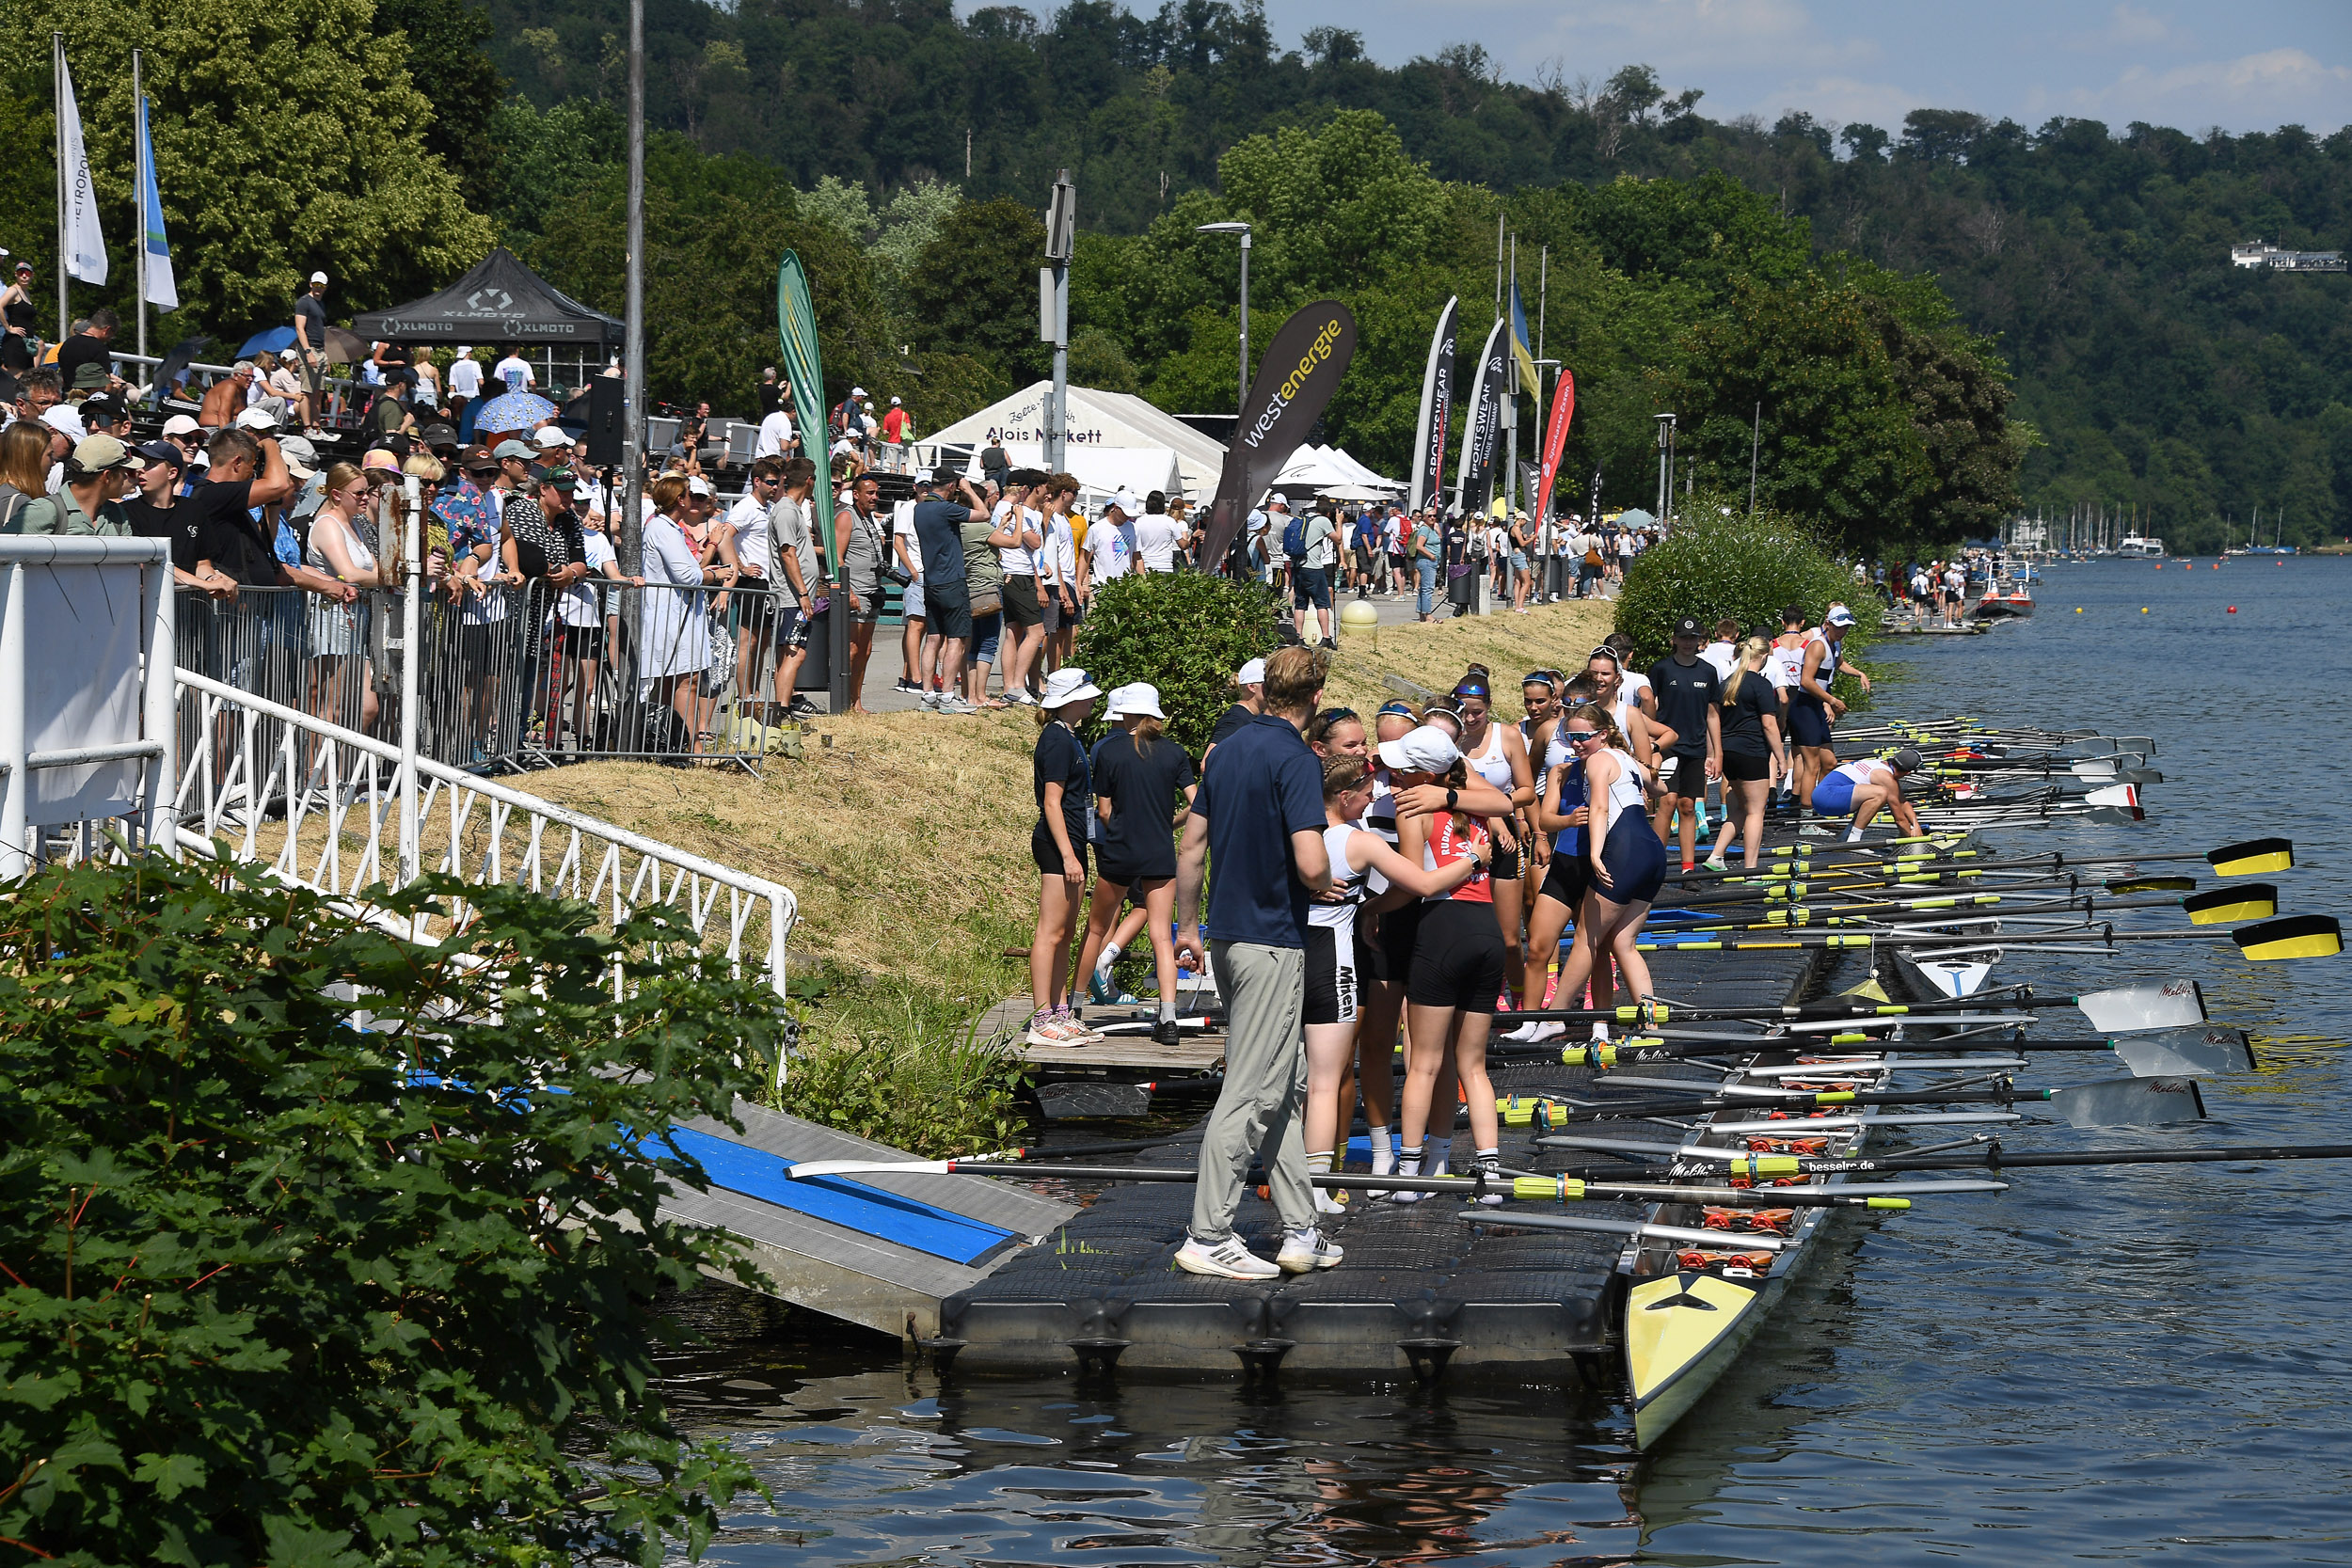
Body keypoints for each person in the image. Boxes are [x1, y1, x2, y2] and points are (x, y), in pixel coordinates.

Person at [1172, 645, 1337, 1280]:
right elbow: (1311, 861)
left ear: (1265, 690)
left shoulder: (1229, 748)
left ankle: (1301, 1229)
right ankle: (1208, 1232)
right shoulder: (1296, 758)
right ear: (1316, 697)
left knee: (1284, 1083)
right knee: (1250, 1089)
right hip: (1274, 941)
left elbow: (1191, 848)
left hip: (1228, 937)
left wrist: (1188, 925)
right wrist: (1325, 876)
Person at [1300, 752, 1483, 1215]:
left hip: (1294, 953)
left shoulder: (1295, 835)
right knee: (1325, 1078)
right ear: (1344, 798)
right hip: (1336, 957)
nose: (1373, 798)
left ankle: (1299, 1176)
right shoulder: (1357, 838)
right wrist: (1472, 860)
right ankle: (1317, 1188)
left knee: (1298, 1076)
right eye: (1365, 793)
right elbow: (1422, 884)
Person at [1377, 726, 1505, 1205]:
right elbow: (1507, 802)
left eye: (1402, 769)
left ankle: (1410, 1173)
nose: (1394, 778)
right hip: (1485, 930)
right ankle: (1488, 1175)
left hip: (1442, 932)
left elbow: (1413, 883)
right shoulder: (1476, 801)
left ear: (1423, 773)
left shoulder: (1415, 809)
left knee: (1425, 1065)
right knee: (1473, 1066)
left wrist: (1370, 910)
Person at [1070, 682, 1198, 1047]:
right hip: (1159, 852)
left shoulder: (1110, 753)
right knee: (1160, 935)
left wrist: (1124, 827)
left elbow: (1105, 810)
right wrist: (1168, 823)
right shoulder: (1174, 753)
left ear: (1126, 713)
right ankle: (1168, 1018)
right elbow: (1197, 800)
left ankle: (1075, 1009)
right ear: (1154, 715)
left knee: (1096, 929)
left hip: (1120, 850)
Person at [1025, 667, 1108, 1046]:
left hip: (1074, 843)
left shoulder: (1070, 736)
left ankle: (1061, 1010)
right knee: (1051, 931)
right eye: (1088, 693)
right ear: (1071, 698)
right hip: (1060, 845)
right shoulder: (1056, 740)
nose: (1094, 698)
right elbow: (1051, 802)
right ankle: (1042, 1017)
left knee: (1066, 933)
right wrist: (1068, 856)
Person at [1451, 672, 1536, 1007]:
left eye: (1477, 712)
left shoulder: (1508, 737)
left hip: (1503, 840)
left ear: (1489, 707)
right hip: (1460, 832)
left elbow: (1527, 791)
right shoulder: (1449, 738)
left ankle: (1517, 994)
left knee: (1509, 938)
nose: (1470, 719)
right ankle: (1480, 992)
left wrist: (1497, 810)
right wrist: (1490, 814)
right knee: (1470, 933)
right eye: (1464, 712)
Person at [1645, 616, 1724, 871]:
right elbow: (1649, 709)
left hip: (1695, 747)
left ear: (1700, 641)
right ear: (1674, 640)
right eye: (1684, 638)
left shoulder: (1708, 671)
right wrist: (1650, 743)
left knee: (1688, 806)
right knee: (1667, 802)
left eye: (1693, 638)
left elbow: (1712, 714)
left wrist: (1717, 753)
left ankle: (1688, 867)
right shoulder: (1662, 669)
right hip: (1668, 746)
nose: (1688, 643)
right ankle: (1655, 865)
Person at [1705, 637, 1788, 870]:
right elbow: (1770, 726)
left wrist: (1713, 754)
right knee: (1755, 811)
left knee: (1742, 807)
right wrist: (1781, 758)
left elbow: (1714, 721)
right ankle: (1751, 869)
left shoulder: (1727, 684)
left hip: (1729, 752)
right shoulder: (1761, 685)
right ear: (1763, 657)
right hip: (1752, 752)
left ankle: (1716, 855)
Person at [911, 468, 990, 715]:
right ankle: (947, 696)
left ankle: (927, 695)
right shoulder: (945, 509)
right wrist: (968, 490)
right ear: (952, 485)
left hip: (931, 581)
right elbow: (985, 514)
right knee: (957, 639)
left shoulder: (920, 508)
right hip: (952, 581)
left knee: (933, 638)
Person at [761, 457, 823, 719]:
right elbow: (788, 554)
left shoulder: (793, 510)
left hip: (794, 598)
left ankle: (783, 706)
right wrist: (803, 593)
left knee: (789, 653)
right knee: (794, 653)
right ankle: (783, 710)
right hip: (790, 598)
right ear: (809, 481)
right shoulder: (786, 511)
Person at [1791, 604, 1869, 809]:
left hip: (1816, 707)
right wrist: (1832, 700)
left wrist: (1859, 673)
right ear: (1828, 624)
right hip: (1804, 708)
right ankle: (1807, 817)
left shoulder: (1835, 644)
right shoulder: (1817, 645)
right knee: (1812, 765)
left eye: (1846, 628)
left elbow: (1839, 664)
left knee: (1829, 763)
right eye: (1840, 627)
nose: (1843, 631)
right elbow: (1806, 681)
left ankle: (1822, 806)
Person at [834, 470, 896, 714]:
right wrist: (847, 591)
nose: (875, 497)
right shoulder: (846, 517)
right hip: (855, 591)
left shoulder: (870, 518)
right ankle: (841, 702)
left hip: (872, 590)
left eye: (877, 493)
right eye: (870, 493)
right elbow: (837, 557)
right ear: (856, 494)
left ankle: (856, 701)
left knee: (866, 649)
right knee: (851, 649)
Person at [8, 435, 140, 536]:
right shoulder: (43, 510)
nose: (126, 478)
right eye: (125, 472)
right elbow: (5, 555)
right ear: (108, 476)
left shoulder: (117, 514)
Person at [991, 473, 1046, 705]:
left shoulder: (1004, 507)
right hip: (1017, 573)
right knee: (1037, 632)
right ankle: (1016, 685)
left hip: (1013, 572)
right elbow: (1034, 542)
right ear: (1024, 488)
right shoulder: (1010, 508)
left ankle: (1009, 687)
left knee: (1013, 631)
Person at [1812, 749, 1924, 841]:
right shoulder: (1885, 777)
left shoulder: (1880, 764)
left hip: (1819, 795)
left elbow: (1902, 802)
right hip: (1827, 798)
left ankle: (1846, 835)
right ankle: (1853, 840)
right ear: (1908, 773)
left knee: (1874, 795)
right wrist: (1912, 839)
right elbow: (1899, 818)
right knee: (1880, 794)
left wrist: (1916, 825)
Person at [1202, 657, 1264, 765]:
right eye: (1269, 683)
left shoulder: (1256, 716)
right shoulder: (1235, 720)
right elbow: (1208, 763)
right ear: (1252, 687)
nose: (1276, 687)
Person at [1294, 502, 1339, 646]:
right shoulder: (1323, 521)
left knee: (1300, 604)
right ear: (1329, 513)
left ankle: (1299, 637)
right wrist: (1340, 522)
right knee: (1322, 603)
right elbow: (1338, 539)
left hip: (1298, 566)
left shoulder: (1304, 520)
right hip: (1314, 567)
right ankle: (1325, 637)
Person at [1133, 490, 1184, 576]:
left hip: (1146, 566)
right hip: (1165, 566)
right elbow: (1183, 545)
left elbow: (1135, 547)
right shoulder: (1169, 521)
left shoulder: (1139, 521)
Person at [0, 260, 37, 372]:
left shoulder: (26, 292)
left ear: (32, 275)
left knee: (27, 380)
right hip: (15, 343)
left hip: (26, 343)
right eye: (21, 273)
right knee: (15, 379)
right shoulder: (13, 290)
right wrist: (8, 328)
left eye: (27, 273)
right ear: (16, 274)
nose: (24, 276)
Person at [1407, 508, 1440, 622]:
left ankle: (1422, 614)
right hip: (1427, 561)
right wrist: (1431, 556)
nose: (1432, 518)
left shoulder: (1432, 529)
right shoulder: (1425, 530)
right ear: (1424, 517)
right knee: (1428, 589)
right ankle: (1428, 615)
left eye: (1434, 516)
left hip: (1428, 561)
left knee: (1424, 589)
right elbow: (1419, 546)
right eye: (1430, 516)